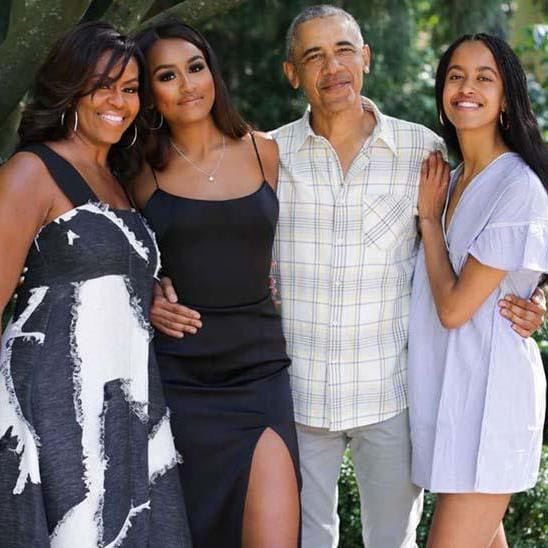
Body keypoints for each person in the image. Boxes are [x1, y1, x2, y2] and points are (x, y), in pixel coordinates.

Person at [151, 6, 546, 547]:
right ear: (292, 73)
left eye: (342, 50)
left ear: (366, 58)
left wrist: (537, 291)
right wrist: (153, 282)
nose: (331, 66)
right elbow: (210, 232)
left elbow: (506, 230)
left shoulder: (424, 152)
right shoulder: (267, 154)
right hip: (299, 393)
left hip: (392, 395)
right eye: (313, 55)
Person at [0, 22, 191, 547]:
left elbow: (97, 275)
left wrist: (148, 296)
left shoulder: (120, 179)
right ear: (70, 88)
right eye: (101, 85)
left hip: (124, 401)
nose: (118, 101)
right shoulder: (31, 171)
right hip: (53, 402)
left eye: (130, 89)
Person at [131, 21, 300, 548]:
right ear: (150, 94)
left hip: (260, 372)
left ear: (213, 73)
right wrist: (148, 292)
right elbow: (109, 257)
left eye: (195, 68)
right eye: (167, 75)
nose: (188, 85)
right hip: (180, 379)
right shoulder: (136, 173)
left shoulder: (264, 152)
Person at [408, 33, 548, 547]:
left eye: (484, 77)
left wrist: (426, 220)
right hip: (452, 394)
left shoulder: (517, 185)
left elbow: (452, 308)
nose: (467, 87)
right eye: (455, 76)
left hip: (491, 403)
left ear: (507, 96)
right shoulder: (456, 177)